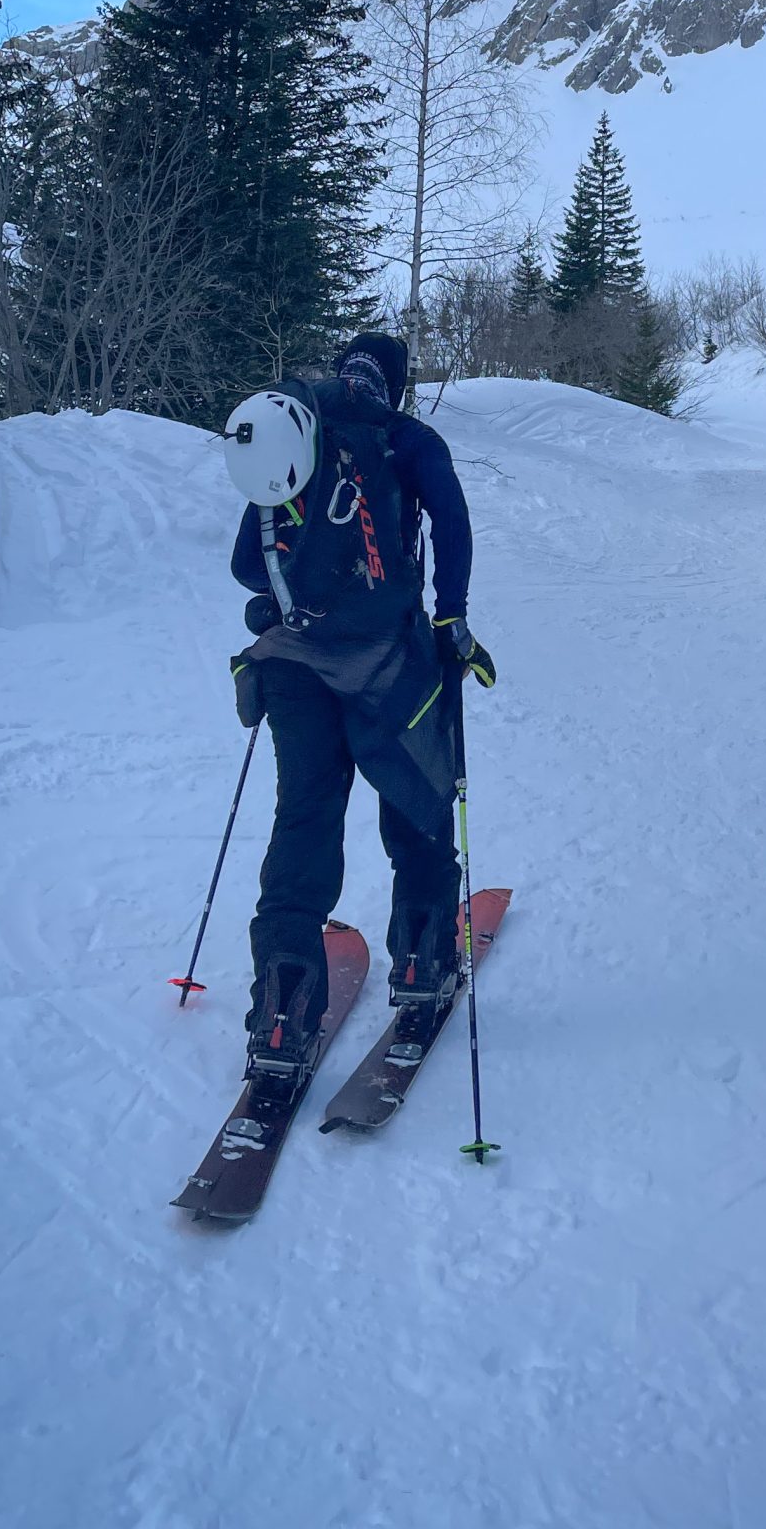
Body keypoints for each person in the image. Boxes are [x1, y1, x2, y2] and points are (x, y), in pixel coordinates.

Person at [222, 332, 496, 1089]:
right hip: (392, 665)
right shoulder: (408, 439)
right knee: (415, 801)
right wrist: (452, 619)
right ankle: (421, 960)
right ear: (396, 386)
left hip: (294, 664)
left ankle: (282, 1012)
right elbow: (453, 524)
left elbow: (250, 563)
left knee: (304, 820)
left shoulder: (296, 429)